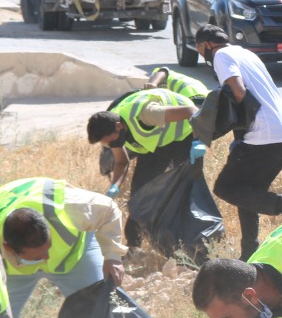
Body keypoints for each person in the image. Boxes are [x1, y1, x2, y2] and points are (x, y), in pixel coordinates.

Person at [194, 25, 282, 259]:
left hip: (263, 136)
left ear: (207, 45)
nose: (202, 55)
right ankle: (249, 253)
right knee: (248, 193)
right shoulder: (245, 53)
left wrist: (238, 128)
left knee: (225, 187)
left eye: (200, 49)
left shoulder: (221, 55)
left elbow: (238, 91)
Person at [0, 177, 128, 318]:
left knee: (100, 309)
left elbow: (109, 210)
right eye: (36, 257)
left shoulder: (67, 207)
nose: (47, 258)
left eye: (48, 247)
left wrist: (112, 256)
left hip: (75, 257)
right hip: (14, 273)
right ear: (8, 248)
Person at [86, 88, 201, 246]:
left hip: (185, 134)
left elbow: (192, 111)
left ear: (119, 126)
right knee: (139, 194)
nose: (112, 145)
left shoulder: (146, 114)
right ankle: (134, 246)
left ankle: (190, 244)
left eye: (111, 141)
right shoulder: (112, 129)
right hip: (158, 142)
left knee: (183, 188)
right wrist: (115, 186)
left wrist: (198, 142)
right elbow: (121, 161)